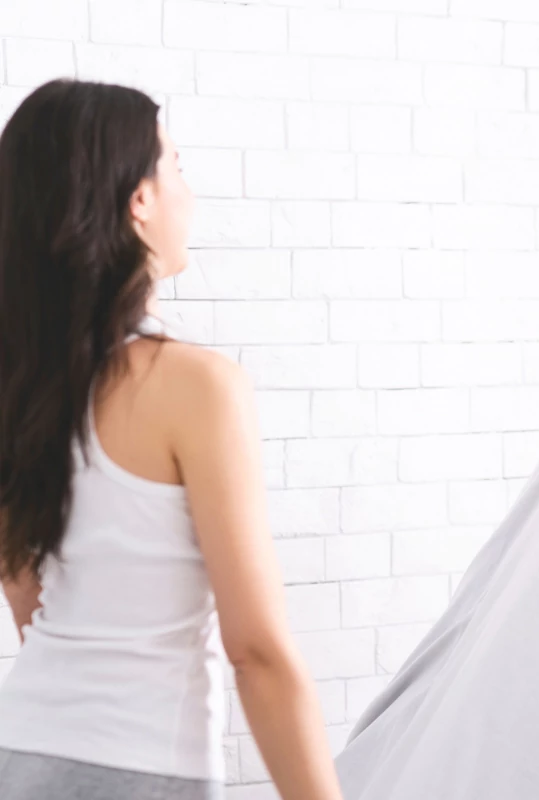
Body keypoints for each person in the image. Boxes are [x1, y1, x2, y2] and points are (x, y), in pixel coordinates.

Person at [0, 80, 342, 800]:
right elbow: (257, 653)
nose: (188, 191)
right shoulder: (196, 387)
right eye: (175, 166)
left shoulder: (19, 388)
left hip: (20, 754)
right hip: (143, 772)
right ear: (139, 200)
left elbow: (27, 599)